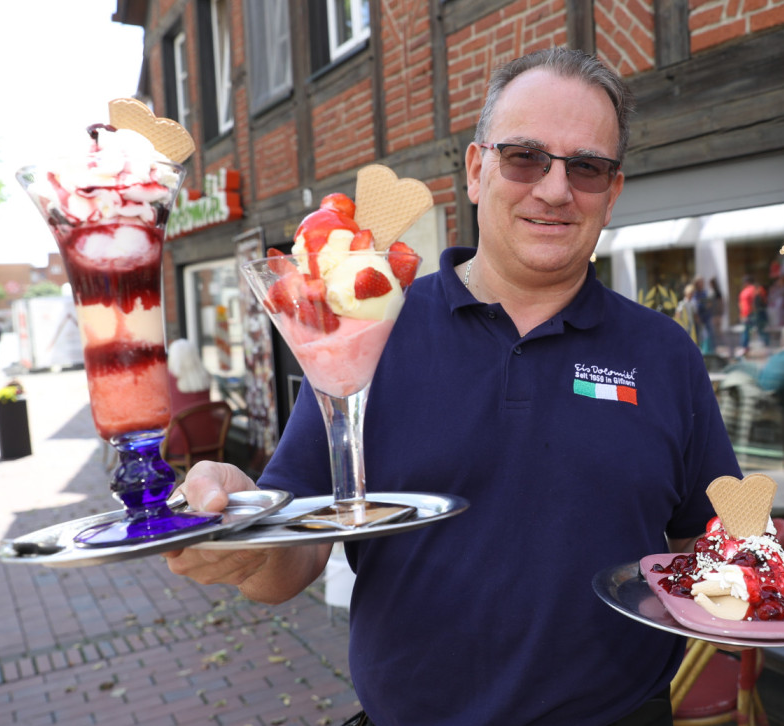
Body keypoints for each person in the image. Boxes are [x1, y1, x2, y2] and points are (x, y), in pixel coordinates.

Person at [164, 48, 741, 726]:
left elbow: (701, 547)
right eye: (524, 157)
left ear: (611, 193)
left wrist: (754, 579)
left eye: (586, 167)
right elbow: (293, 559)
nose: (555, 190)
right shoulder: (370, 330)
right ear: (475, 170)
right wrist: (235, 540)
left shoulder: (663, 353)